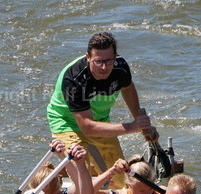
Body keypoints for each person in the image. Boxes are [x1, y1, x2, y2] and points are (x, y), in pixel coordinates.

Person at [46, 31, 156, 186]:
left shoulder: (121, 67)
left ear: (116, 56)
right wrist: (132, 127)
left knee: (119, 175)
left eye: (109, 61)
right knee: (83, 176)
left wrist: (140, 121)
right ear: (88, 57)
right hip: (67, 123)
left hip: (100, 120)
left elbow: (127, 89)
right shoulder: (74, 79)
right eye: (98, 62)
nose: (104, 67)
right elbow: (88, 128)